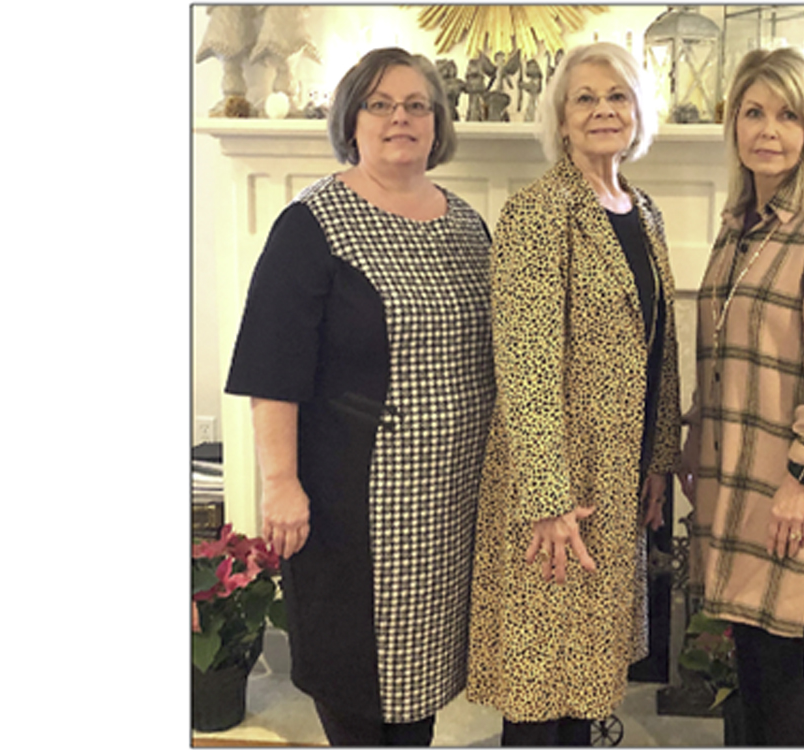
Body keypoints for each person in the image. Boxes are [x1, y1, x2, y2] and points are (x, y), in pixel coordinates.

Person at [223, 47, 495, 746]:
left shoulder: (469, 226)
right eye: (380, 104)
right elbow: (271, 369)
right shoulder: (311, 224)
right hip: (353, 505)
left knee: (419, 691)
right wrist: (280, 484)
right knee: (357, 686)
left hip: (449, 507)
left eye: (416, 105)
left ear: (437, 123)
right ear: (352, 120)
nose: (400, 118)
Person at [466, 42, 682, 746]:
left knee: (586, 674)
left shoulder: (643, 212)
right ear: (560, 119)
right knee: (538, 685)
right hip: (555, 487)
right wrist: (547, 500)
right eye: (584, 98)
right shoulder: (537, 212)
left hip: (617, 482)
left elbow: (661, 349)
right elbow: (524, 365)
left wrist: (659, 461)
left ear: (638, 112)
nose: (602, 111)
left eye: (617, 96)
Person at [678, 46, 804, 746]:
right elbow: (720, 359)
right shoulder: (738, 227)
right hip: (734, 483)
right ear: (733, 124)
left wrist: (803, 478)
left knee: (781, 670)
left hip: (790, 491)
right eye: (753, 112)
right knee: (751, 663)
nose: (768, 130)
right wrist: (693, 441)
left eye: (788, 115)